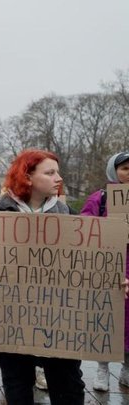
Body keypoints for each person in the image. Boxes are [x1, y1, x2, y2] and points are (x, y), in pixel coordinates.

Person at [0, 149, 82, 404]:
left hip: (58, 318)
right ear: (28, 177)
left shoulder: (65, 212)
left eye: (58, 171)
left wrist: (107, 281)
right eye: (50, 172)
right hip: (12, 317)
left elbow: (82, 263)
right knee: (17, 386)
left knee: (68, 387)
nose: (59, 178)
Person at [82, 151, 129, 391]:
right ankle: (103, 368)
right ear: (114, 170)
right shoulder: (100, 198)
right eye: (125, 168)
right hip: (110, 268)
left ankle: (127, 368)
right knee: (108, 318)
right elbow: (83, 227)